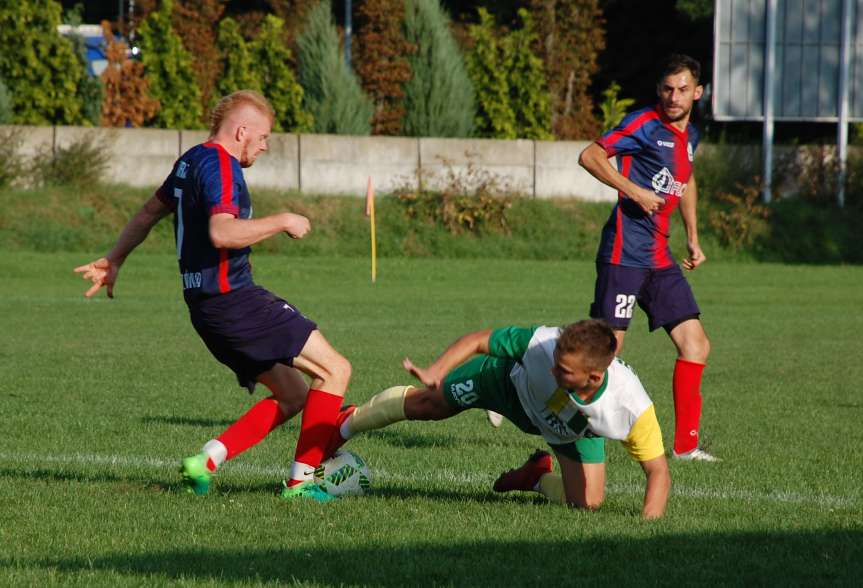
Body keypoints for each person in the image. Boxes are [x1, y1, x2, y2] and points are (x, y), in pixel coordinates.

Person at [74, 90, 354, 502]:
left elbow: (150, 211)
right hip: (235, 302)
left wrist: (115, 258)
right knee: (335, 370)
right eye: (263, 138)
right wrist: (283, 219)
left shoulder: (191, 160)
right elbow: (222, 232)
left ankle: (206, 460)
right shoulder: (221, 166)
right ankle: (301, 483)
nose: (263, 146)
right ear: (242, 131)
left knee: (293, 394)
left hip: (207, 311)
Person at [327, 320, 671, 519]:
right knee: (428, 407)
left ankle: (536, 477)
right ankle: (347, 422)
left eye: (563, 371)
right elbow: (479, 340)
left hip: (568, 427)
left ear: (594, 378)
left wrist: (646, 528)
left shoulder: (630, 408)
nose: (553, 369)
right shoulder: (542, 343)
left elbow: (658, 472)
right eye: (555, 361)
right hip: (504, 383)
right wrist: (436, 370)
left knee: (588, 504)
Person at [578, 54, 717, 462]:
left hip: (659, 258)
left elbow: (685, 182)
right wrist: (633, 191)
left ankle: (686, 447)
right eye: (668, 89)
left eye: (683, 89)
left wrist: (693, 236)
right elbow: (590, 155)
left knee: (696, 344)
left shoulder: (691, 136)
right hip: (624, 255)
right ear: (660, 91)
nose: (674, 97)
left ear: (698, 92)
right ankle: (524, 383)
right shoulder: (642, 124)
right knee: (604, 353)